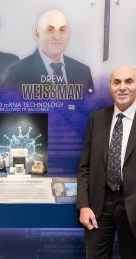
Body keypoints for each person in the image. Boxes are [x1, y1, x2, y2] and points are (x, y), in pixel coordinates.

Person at [77, 66, 136, 259]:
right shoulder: (97, 118)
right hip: (98, 207)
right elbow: (84, 167)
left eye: (129, 81)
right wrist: (83, 205)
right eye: (117, 82)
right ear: (110, 86)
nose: (122, 87)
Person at [4, 9, 94, 94]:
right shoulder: (17, 73)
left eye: (62, 30)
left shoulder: (83, 71)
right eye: (50, 30)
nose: (57, 36)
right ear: (37, 33)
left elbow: (90, 108)